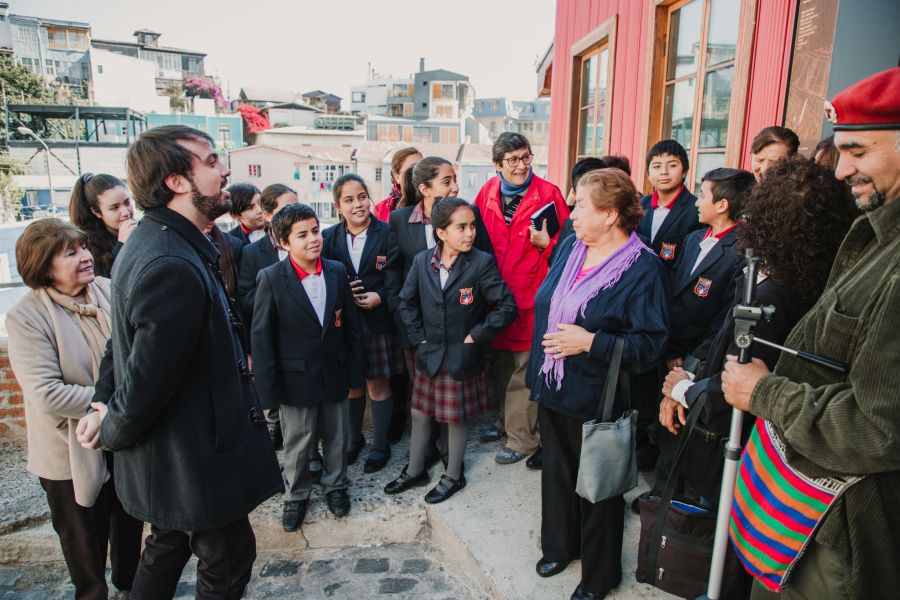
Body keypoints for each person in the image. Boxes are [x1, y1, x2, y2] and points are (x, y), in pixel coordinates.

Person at [75, 125, 282, 600]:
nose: (224, 168)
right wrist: (109, 426)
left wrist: (101, 402)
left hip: (180, 458)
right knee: (227, 562)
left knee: (166, 546)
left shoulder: (153, 241)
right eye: (210, 161)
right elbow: (147, 376)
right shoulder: (169, 260)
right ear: (176, 181)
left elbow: (119, 343)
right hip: (195, 461)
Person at [721, 67, 900, 599]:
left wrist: (764, 392)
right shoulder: (877, 229)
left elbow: (880, 430)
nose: (842, 170)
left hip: (840, 531)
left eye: (859, 152)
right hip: (806, 517)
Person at [659, 157, 858, 507]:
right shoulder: (790, 280)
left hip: (729, 443)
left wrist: (683, 389)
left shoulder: (773, 298)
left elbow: (738, 385)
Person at [527, 169, 668, 599]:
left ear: (610, 215)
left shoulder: (644, 269)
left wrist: (592, 342)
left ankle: (600, 576)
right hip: (555, 385)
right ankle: (560, 546)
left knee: (598, 490)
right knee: (556, 474)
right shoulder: (571, 246)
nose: (570, 213)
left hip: (599, 397)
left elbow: (651, 345)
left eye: (580, 205)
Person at [6, 219, 143, 600]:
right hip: (70, 454)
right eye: (70, 253)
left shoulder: (108, 290)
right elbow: (47, 393)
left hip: (121, 437)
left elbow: (133, 356)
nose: (86, 257)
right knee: (85, 541)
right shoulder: (27, 317)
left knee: (130, 525)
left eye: (83, 248)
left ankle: (129, 589)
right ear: (43, 266)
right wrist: (111, 400)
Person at [386, 197, 517, 503]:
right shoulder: (422, 262)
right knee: (419, 412)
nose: (470, 232)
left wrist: (476, 335)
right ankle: (415, 469)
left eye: (472, 226)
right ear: (441, 233)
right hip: (429, 354)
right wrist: (418, 337)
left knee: (456, 417)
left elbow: (506, 306)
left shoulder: (480, 263)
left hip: (462, 354)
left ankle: (454, 475)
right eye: (462, 227)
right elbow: (406, 302)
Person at [252, 203, 364, 531]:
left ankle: (336, 485)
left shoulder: (337, 271)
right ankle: (297, 494)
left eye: (315, 231)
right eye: (302, 235)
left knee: (336, 436)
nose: (313, 239)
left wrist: (355, 372)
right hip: (294, 378)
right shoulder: (271, 278)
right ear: (284, 243)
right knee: (298, 442)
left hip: (334, 371)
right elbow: (262, 338)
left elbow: (353, 328)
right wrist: (267, 389)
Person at [384, 157, 494, 465]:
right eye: (447, 181)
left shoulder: (467, 218)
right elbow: (392, 272)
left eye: (455, 179)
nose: (455, 186)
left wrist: (475, 327)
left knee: (452, 399)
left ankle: (450, 458)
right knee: (423, 398)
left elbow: (484, 268)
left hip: (458, 330)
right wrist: (403, 319)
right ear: (424, 188)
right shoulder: (400, 220)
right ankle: (424, 454)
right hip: (418, 328)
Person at [651, 168, 755, 494]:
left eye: (703, 194)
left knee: (684, 426)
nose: (697, 201)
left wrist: (689, 363)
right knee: (663, 423)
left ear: (722, 204)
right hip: (670, 349)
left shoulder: (741, 251)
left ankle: (676, 498)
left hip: (700, 359)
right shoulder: (694, 238)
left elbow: (724, 321)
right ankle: (660, 489)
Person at [472, 132, 569, 468]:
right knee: (500, 366)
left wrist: (545, 245)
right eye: (512, 160)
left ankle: (522, 439)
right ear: (497, 165)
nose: (521, 166)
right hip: (496, 296)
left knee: (524, 370)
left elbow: (568, 248)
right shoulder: (486, 193)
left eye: (526, 157)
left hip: (532, 294)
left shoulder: (549, 194)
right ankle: (504, 425)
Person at [322, 174, 402, 472]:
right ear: (338, 206)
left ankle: (380, 446)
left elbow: (398, 275)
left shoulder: (387, 233)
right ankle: (354, 440)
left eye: (362, 197)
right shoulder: (328, 238)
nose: (357, 204)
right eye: (348, 200)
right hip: (343, 323)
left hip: (377, 321)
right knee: (351, 385)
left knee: (378, 383)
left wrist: (379, 297)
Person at [634, 139, 702, 469]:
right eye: (657, 166)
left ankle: (665, 453)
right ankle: (645, 441)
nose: (663, 172)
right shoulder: (641, 206)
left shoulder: (695, 210)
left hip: (678, 307)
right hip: (643, 303)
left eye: (671, 165)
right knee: (644, 378)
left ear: (685, 170)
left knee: (671, 380)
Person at [236, 183, 299, 452]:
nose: (295, 212)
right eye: (287, 208)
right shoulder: (251, 252)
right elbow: (245, 296)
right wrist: (277, 297)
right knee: (271, 386)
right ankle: (275, 428)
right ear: (270, 214)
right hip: (270, 333)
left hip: (301, 335)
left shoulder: (308, 243)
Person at [68, 173, 137, 278]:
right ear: (96, 212)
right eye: (114, 207)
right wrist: (121, 244)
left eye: (127, 202)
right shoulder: (86, 244)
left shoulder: (139, 229)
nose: (125, 212)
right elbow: (102, 281)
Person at [374, 146, 422, 222]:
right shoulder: (380, 209)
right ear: (397, 177)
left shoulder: (429, 203)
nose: (419, 172)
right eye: (413, 168)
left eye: (422, 167)